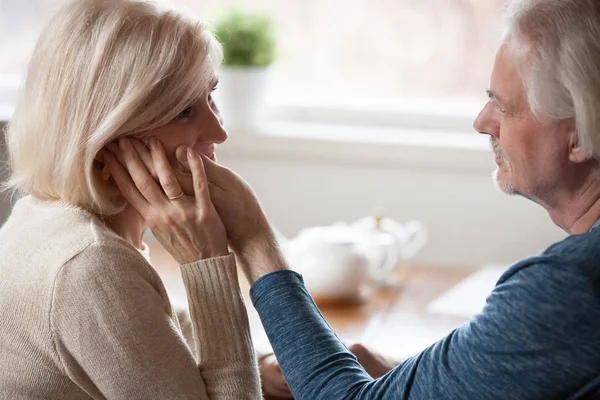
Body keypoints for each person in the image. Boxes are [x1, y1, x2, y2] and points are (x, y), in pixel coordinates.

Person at [117, 0, 600, 398]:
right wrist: (414, 375)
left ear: (577, 137)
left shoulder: (569, 287)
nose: (481, 120)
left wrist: (254, 238)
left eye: (505, 106)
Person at [0, 0, 262, 398]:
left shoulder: (40, 217)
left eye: (211, 95)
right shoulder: (89, 267)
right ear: (106, 139)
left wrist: (258, 365)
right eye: (182, 112)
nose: (218, 132)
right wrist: (207, 264)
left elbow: (148, 333)